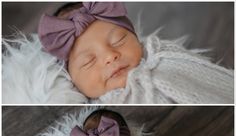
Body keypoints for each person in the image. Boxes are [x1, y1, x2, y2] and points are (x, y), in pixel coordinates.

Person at [37, 2, 233, 104]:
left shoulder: (165, 57)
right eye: (89, 61)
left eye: (118, 40)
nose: (109, 56)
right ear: (71, 80)